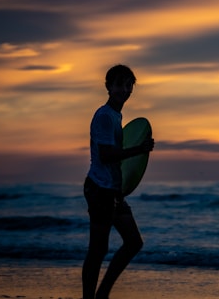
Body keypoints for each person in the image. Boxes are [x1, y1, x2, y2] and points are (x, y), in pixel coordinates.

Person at [82, 64, 154, 299]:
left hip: (113, 190)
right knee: (98, 250)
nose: (124, 89)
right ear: (108, 87)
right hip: (100, 189)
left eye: (128, 84)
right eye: (119, 84)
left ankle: (102, 293)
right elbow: (106, 155)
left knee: (133, 242)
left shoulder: (116, 115)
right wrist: (138, 150)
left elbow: (116, 158)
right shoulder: (104, 116)